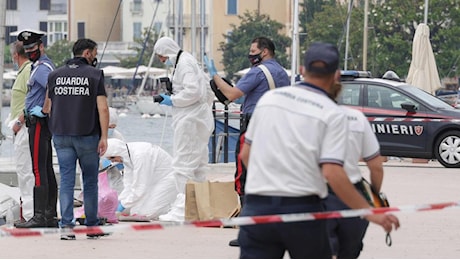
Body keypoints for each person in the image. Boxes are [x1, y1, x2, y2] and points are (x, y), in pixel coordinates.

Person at [237, 42, 400, 258]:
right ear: (336, 76)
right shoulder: (333, 114)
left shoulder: (269, 100)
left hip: (258, 206)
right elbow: (332, 173)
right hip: (302, 207)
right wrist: (372, 212)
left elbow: (245, 155)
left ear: (302, 71)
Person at [204, 36, 290, 246]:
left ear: (265, 52)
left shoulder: (258, 72)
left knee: (244, 176)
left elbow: (231, 95)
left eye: (253, 51)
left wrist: (215, 76)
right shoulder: (282, 73)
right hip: (276, 128)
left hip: (254, 127)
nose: (251, 54)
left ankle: (248, 232)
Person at [44, 38, 109, 240]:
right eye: (95, 54)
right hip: (88, 135)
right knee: (89, 182)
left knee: (66, 181)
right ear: (87, 53)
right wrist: (104, 136)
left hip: (62, 135)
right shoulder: (95, 75)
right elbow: (103, 108)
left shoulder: (55, 75)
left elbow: (47, 107)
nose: (95, 58)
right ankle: (91, 226)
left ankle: (67, 227)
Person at [152, 36, 215, 222]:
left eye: (162, 57)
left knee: (182, 163)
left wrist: (173, 100)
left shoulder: (185, 63)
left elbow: (194, 92)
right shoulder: (184, 61)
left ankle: (183, 209)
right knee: (198, 164)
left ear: (166, 52)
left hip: (190, 119)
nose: (162, 60)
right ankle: (199, 207)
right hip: (196, 118)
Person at [324, 95, 385, 258]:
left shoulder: (303, 119)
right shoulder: (356, 118)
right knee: (349, 251)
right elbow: (376, 167)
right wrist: (374, 194)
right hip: (353, 196)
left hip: (316, 195)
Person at [14, 30, 58, 229]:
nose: (30, 52)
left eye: (33, 48)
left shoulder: (42, 68)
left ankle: (40, 216)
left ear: (41, 47)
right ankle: (49, 214)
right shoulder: (38, 66)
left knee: (38, 170)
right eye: (27, 49)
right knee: (45, 168)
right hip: (37, 121)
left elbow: (53, 86)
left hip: (38, 122)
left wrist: (45, 108)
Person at [104, 138, 178, 219]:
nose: (114, 161)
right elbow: (129, 185)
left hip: (167, 179)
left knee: (146, 213)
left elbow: (140, 187)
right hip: (151, 180)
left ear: (117, 153)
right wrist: (119, 202)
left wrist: (122, 206)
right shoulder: (127, 156)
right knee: (132, 211)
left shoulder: (140, 155)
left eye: (113, 158)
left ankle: (170, 206)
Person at [5, 41, 33, 223]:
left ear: (16, 55)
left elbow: (32, 99)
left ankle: (30, 213)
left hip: (23, 127)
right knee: (23, 170)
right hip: (19, 127)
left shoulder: (28, 70)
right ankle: (28, 211)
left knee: (25, 171)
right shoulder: (23, 72)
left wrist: (18, 122)